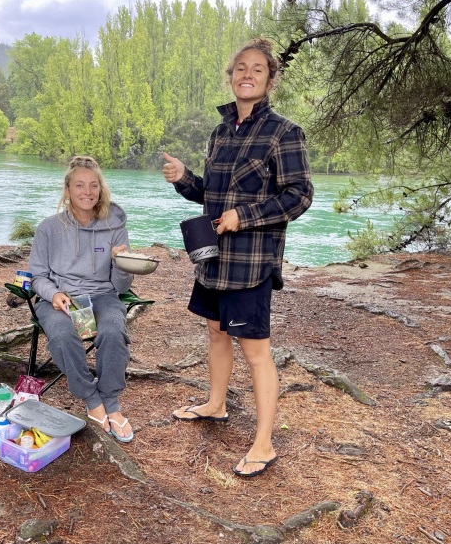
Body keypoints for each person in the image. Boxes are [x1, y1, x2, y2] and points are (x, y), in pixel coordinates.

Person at [162, 38, 313, 477]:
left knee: (256, 352)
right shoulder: (221, 132)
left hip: (250, 262)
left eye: (257, 70)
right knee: (215, 332)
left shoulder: (285, 132)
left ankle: (264, 443)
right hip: (212, 257)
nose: (247, 75)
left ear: (269, 80)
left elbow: (299, 196)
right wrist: (184, 178)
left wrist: (243, 217)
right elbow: (211, 196)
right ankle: (216, 403)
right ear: (231, 76)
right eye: (240, 68)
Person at [28, 155, 136, 443]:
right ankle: (91, 398)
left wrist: (123, 263)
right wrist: (54, 294)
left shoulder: (114, 225)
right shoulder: (48, 228)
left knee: (113, 330)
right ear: (67, 190)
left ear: (100, 189)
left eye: (93, 185)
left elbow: (120, 285)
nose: (87, 192)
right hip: (59, 299)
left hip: (102, 295)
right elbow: (37, 277)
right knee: (63, 337)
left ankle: (111, 402)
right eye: (79, 185)